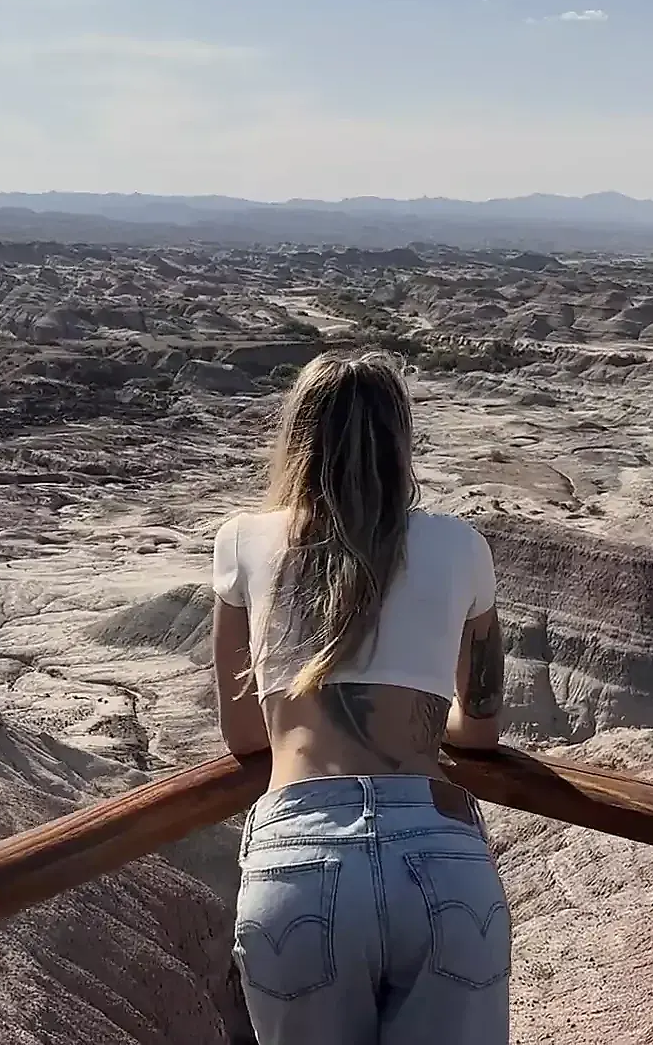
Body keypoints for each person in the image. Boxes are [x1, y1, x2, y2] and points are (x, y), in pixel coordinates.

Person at [210, 349, 509, 1045]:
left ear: (297, 436)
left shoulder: (242, 540)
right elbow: (480, 728)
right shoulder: (461, 545)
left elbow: (245, 736)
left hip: (299, 861)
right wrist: (416, 717)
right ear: (402, 441)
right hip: (441, 854)